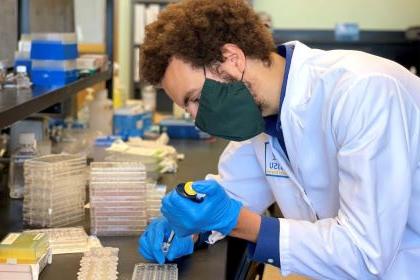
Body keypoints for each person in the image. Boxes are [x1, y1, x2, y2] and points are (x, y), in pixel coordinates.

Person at [137, 0, 420, 278]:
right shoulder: (260, 116)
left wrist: (236, 222)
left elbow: (365, 254)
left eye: (197, 99)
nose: (199, 118)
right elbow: (233, 192)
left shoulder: (363, 91)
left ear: (232, 60)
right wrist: (190, 227)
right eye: (188, 109)